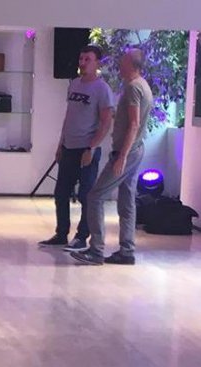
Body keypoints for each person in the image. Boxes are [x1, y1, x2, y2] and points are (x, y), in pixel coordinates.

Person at [71, 48, 153, 265]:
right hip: (136, 149)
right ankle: (127, 251)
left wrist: (122, 156)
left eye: (123, 60)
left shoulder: (133, 87)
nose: (119, 64)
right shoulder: (143, 85)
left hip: (127, 152)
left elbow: (134, 124)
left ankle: (96, 250)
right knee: (127, 201)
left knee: (95, 196)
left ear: (132, 64)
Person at [39, 45, 114, 252]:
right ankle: (61, 233)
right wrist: (60, 144)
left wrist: (91, 147)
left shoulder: (102, 89)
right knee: (61, 192)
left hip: (86, 149)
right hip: (68, 147)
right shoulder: (74, 84)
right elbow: (69, 116)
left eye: (87, 59)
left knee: (85, 195)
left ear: (97, 63)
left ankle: (82, 237)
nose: (82, 63)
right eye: (81, 59)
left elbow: (106, 122)